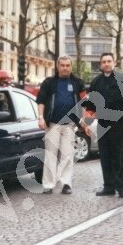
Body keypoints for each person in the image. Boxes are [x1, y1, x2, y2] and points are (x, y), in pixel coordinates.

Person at [83, 52, 123, 199]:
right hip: (102, 124)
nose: (106, 64)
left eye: (109, 61)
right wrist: (87, 123)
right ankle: (108, 186)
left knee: (119, 157)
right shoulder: (96, 82)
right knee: (105, 156)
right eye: (104, 62)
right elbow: (90, 104)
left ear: (114, 63)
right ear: (100, 65)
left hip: (118, 124)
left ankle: (122, 187)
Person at [35, 55, 87, 195]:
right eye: (62, 65)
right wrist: (41, 118)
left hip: (70, 125)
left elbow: (84, 101)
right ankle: (48, 184)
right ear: (57, 67)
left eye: (67, 65)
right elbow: (41, 101)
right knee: (50, 155)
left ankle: (66, 183)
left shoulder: (78, 83)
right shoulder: (49, 82)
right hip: (52, 124)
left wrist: (82, 120)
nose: (65, 68)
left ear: (71, 66)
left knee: (67, 155)